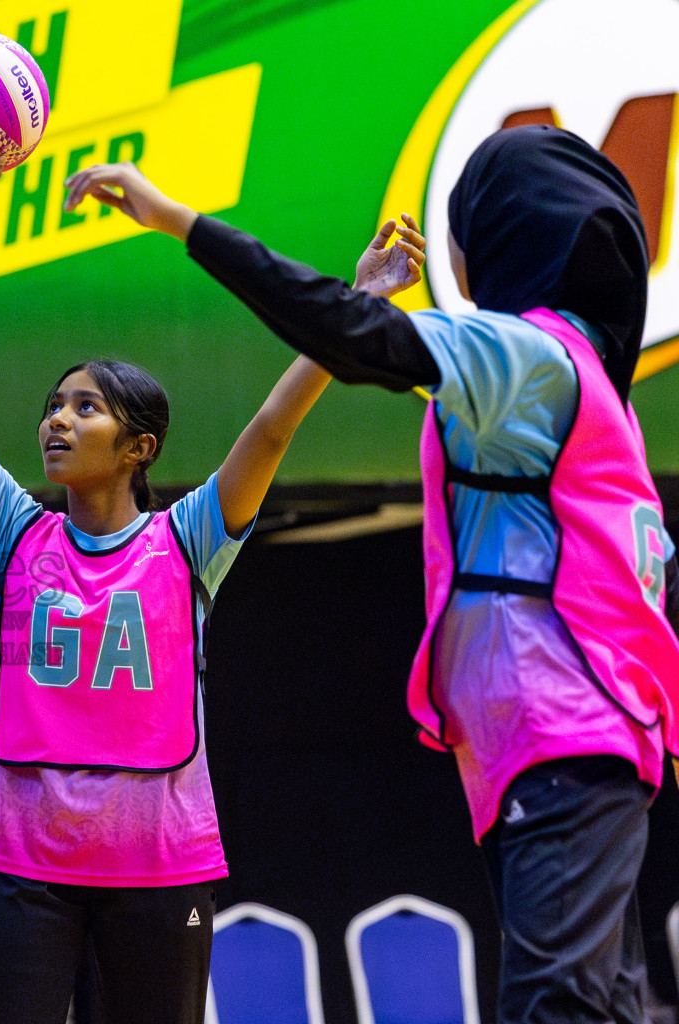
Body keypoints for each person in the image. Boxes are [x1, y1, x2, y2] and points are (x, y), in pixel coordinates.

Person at [62, 125, 679, 1023]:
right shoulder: (582, 379)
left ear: (508, 233)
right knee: (601, 1004)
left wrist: (177, 221)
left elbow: (360, 340)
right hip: (565, 740)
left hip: (561, 732)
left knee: (561, 1008)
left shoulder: (527, 359)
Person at [0, 153, 423, 1024]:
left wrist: (357, 306)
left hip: (160, 868)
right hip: (21, 870)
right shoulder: (12, 530)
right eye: (53, 405)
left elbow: (271, 426)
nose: (56, 420)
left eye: (85, 407)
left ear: (139, 445)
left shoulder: (186, 542)